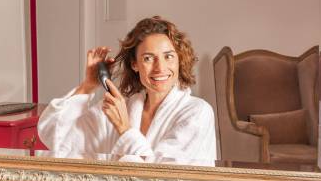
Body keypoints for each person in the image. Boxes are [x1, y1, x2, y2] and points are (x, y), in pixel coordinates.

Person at [37, 16, 216, 165]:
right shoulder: (123, 107)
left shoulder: (197, 113)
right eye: (148, 58)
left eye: (168, 56)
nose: (160, 68)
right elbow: (56, 136)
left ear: (179, 60)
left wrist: (124, 128)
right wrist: (88, 86)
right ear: (135, 64)